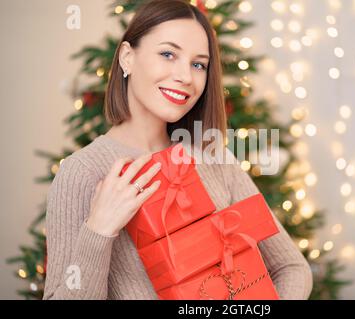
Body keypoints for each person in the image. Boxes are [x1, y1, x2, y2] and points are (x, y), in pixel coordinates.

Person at [43, 0, 313, 300]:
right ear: (127, 58)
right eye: (168, 54)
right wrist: (98, 230)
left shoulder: (213, 158)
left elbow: (292, 267)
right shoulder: (82, 173)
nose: (185, 76)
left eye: (198, 64)